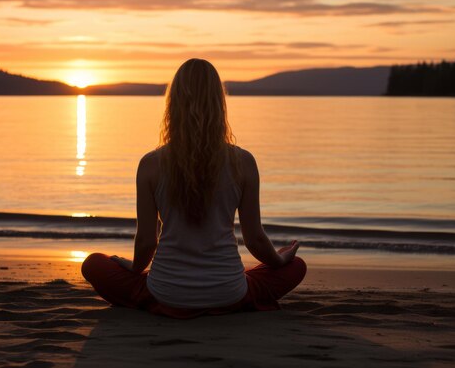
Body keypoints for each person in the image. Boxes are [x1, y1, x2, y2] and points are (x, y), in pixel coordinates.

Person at [81, 58, 307, 319]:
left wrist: (134, 267)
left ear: (173, 104)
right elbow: (254, 238)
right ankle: (224, 296)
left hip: (166, 293)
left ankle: (155, 300)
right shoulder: (243, 162)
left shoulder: (151, 164)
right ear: (219, 103)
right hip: (229, 293)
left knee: (93, 264)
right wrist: (280, 260)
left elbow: (146, 241)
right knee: (296, 266)